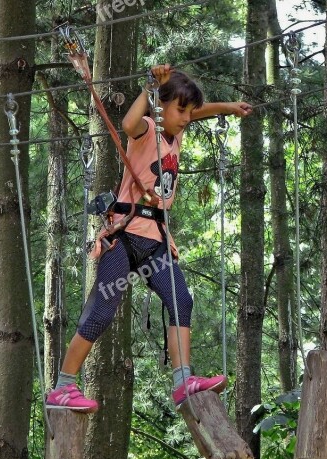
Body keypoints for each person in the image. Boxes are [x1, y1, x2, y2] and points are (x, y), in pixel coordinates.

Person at [46, 64, 253, 413]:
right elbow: (127, 124)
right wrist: (148, 89)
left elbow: (196, 111)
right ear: (161, 105)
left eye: (189, 111)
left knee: (180, 300)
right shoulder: (147, 129)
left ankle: (183, 380)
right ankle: (64, 386)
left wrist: (228, 107)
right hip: (124, 235)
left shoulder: (177, 132)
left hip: (156, 239)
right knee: (101, 310)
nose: (187, 118)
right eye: (180, 110)